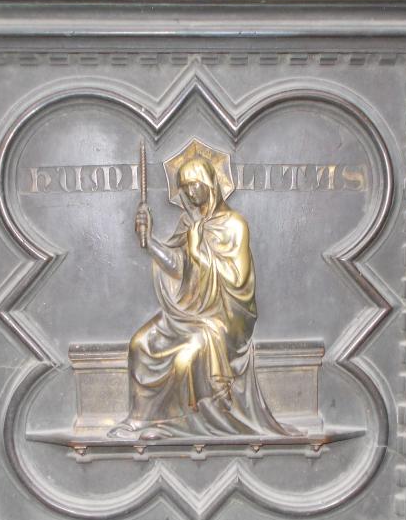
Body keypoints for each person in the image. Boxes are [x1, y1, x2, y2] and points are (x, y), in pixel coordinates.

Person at [107, 154, 295, 441]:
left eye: (195, 184)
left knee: (186, 357)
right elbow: (177, 268)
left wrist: (197, 252)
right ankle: (139, 419)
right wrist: (149, 242)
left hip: (223, 320)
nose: (190, 192)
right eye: (184, 186)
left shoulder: (234, 225)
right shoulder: (188, 222)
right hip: (188, 313)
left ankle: (175, 424)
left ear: (210, 183)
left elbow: (236, 280)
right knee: (139, 344)